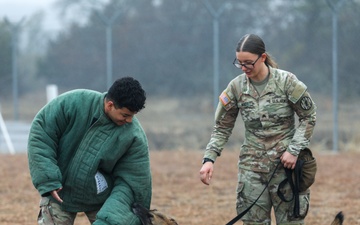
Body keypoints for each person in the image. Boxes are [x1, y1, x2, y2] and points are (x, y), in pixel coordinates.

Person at [199, 34, 316, 225]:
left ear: (262, 57)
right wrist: (209, 159)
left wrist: (293, 150)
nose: (244, 68)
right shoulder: (236, 87)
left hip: (286, 168)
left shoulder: (287, 82)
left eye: (248, 63)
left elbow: (308, 116)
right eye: (239, 63)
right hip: (252, 169)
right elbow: (222, 127)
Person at [28, 77, 152, 225]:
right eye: (125, 115)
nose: (129, 121)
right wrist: (48, 179)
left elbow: (133, 184)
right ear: (110, 105)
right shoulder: (73, 103)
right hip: (59, 190)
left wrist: (109, 221)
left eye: (132, 116)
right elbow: (42, 133)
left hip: (103, 198)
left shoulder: (134, 136)